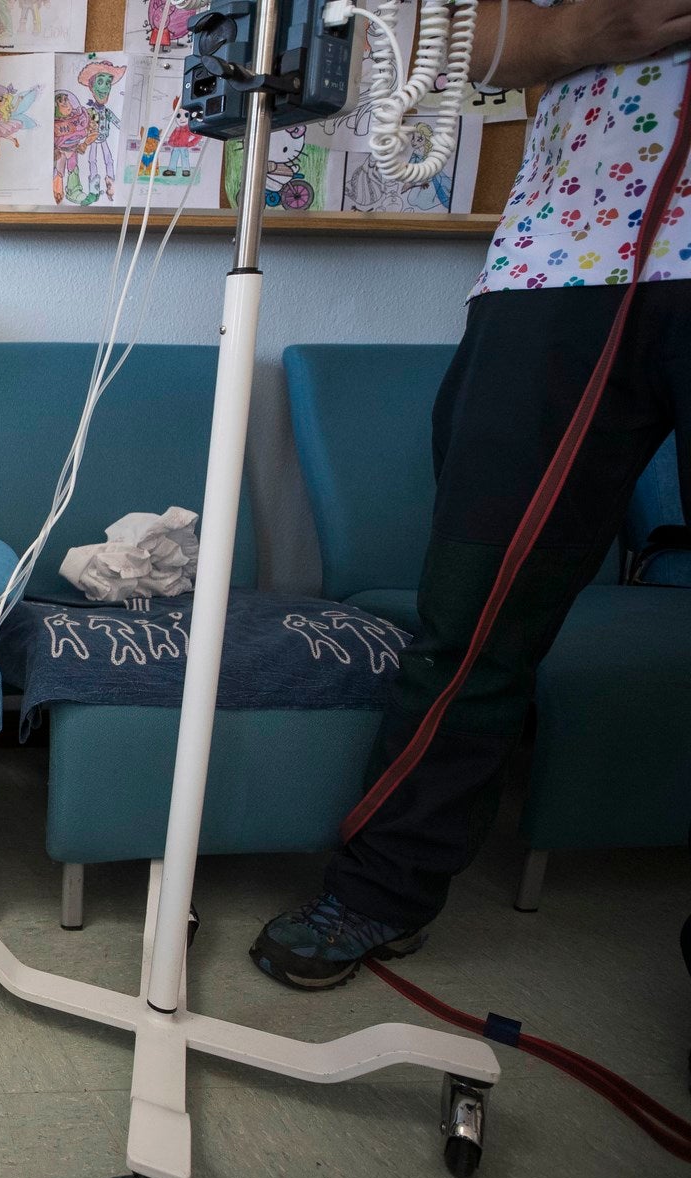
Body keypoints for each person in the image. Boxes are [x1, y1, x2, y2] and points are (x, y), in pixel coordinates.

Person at [252, 0, 691, 989]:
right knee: (472, 618)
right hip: (566, 258)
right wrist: (588, 34)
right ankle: (379, 888)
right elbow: (443, 42)